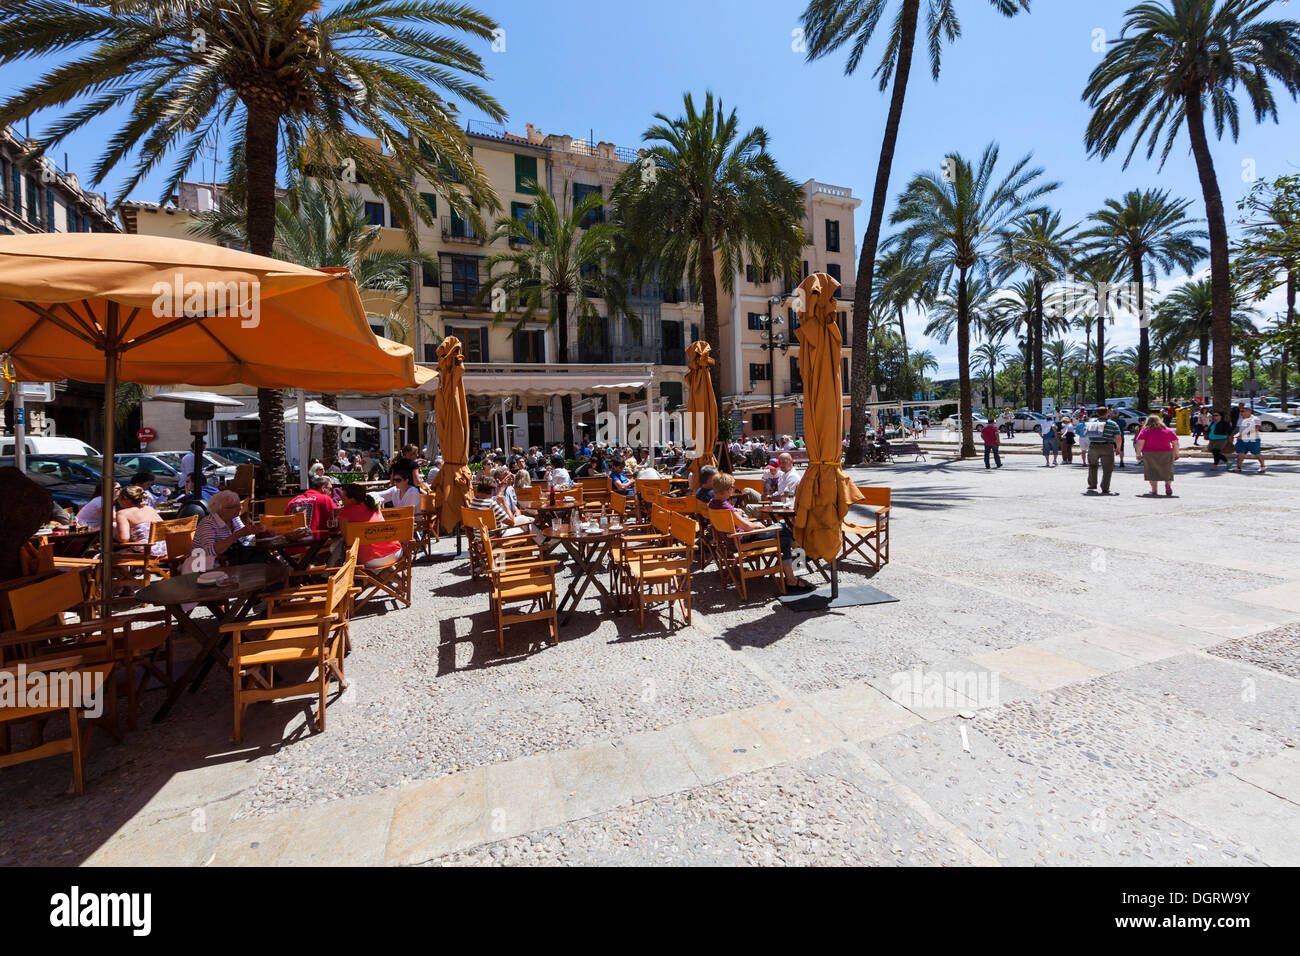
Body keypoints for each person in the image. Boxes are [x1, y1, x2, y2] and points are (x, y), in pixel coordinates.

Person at [708, 473, 813, 593]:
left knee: (784, 541)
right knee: (782, 528)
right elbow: (747, 526)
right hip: (744, 540)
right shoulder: (726, 507)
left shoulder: (712, 504)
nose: (733, 490)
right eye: (732, 487)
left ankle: (791, 578)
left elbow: (732, 520)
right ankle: (799, 554)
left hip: (732, 541)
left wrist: (736, 513)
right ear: (727, 490)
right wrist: (756, 525)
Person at [336, 484, 404, 568]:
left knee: (338, 548)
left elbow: (347, 540)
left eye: (343, 497)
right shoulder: (372, 506)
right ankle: (396, 578)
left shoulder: (345, 511)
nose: (341, 499)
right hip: (396, 552)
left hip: (373, 559)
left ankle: (332, 576)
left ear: (352, 500)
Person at [194, 489, 265, 564]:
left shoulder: (234, 518)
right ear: (219, 509)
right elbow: (209, 552)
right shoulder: (207, 523)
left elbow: (245, 538)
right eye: (234, 506)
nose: (240, 508)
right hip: (203, 565)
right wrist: (239, 534)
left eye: (239, 504)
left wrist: (260, 535)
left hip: (229, 561)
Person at [114, 485, 166, 557]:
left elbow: (124, 539)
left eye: (119, 498)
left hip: (146, 552)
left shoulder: (123, 513)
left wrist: (114, 534)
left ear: (126, 499)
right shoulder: (150, 509)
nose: (118, 500)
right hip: (164, 550)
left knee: (104, 557)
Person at [1134, 413, 1179, 496]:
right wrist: (1176, 453)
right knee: (1167, 470)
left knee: (1152, 471)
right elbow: (1175, 443)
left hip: (1149, 453)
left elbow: (1139, 443)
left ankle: (1154, 490)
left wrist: (1138, 454)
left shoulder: (1144, 431)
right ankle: (1167, 484)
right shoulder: (1168, 430)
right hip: (1167, 452)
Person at [1084, 407, 1122, 495]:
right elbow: (1118, 437)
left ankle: (1092, 484)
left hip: (1093, 446)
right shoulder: (1113, 424)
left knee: (1092, 466)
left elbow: (1085, 433)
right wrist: (1118, 448)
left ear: (1097, 413)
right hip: (1107, 446)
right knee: (1107, 468)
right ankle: (1105, 487)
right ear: (1107, 413)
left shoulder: (1092, 422)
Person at [1233, 405, 1267, 474]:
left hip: (1253, 439)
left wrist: (1244, 435)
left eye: (1243, 411)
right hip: (1241, 440)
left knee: (1257, 453)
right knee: (1240, 453)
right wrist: (1231, 435)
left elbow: (1256, 429)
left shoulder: (1255, 419)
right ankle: (1238, 468)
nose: (1241, 413)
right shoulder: (1240, 419)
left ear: (1249, 412)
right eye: (1241, 411)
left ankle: (1263, 467)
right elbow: (1237, 428)